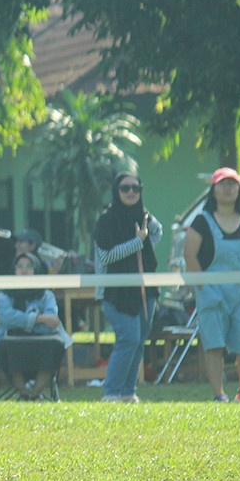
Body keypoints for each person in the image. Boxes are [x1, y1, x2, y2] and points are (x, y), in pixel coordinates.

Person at [184, 167, 240, 402]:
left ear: (239, 190)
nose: (228, 188)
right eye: (222, 184)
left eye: (232, 184)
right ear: (213, 190)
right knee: (214, 344)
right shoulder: (201, 222)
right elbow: (190, 256)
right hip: (211, 293)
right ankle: (219, 394)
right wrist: (203, 288)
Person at [94, 172, 162, 403]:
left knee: (139, 340)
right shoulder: (106, 219)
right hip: (116, 292)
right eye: (125, 188)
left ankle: (127, 393)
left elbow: (158, 231)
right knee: (129, 338)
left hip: (145, 291)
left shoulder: (144, 217)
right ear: (117, 191)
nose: (131, 192)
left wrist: (145, 244)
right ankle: (111, 393)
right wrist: (137, 243)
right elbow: (105, 257)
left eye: (136, 187)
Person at [0, 252, 73, 400]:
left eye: (29, 266)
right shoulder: (4, 295)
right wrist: (38, 319)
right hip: (11, 339)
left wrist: (23, 321)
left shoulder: (46, 295)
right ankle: (23, 393)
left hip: (42, 339)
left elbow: (53, 322)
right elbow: (6, 318)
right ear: (14, 270)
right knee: (6, 346)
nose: (24, 270)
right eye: (20, 266)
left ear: (36, 270)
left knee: (55, 344)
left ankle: (35, 394)